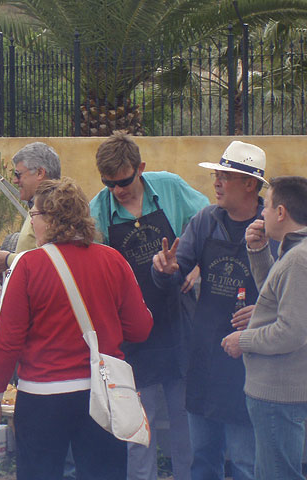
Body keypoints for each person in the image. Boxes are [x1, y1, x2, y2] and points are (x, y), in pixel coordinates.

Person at [0, 178, 153, 480]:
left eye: (33, 216)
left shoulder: (28, 266)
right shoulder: (114, 260)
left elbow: (7, 341)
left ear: (50, 218)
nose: (32, 223)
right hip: (102, 396)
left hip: (43, 398)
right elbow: (140, 329)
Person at [152, 140, 276, 480]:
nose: (216, 183)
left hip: (252, 364)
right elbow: (177, 273)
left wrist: (264, 310)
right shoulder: (205, 220)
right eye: (216, 176)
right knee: (202, 459)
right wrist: (165, 270)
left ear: (250, 184)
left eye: (225, 177)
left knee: (245, 462)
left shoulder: (276, 227)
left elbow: (294, 294)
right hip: (205, 355)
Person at [89, 131, 207, 480]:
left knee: (185, 416)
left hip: (177, 319)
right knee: (139, 420)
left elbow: (207, 222)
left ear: (140, 168)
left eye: (124, 181)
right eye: (109, 184)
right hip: (132, 331)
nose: (118, 190)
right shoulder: (99, 209)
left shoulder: (170, 187)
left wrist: (197, 267)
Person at [221, 176, 307, 480]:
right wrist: (258, 252)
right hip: (282, 395)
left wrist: (243, 340)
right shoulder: (295, 253)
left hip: (280, 396)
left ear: (281, 212)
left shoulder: (299, 259)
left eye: (267, 206)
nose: (262, 214)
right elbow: (278, 300)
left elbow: (290, 331)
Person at [0, 142, 61, 274]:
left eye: (18, 174)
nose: (14, 180)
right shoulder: (39, 204)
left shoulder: (55, 206)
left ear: (39, 173)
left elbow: (54, 259)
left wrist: (8, 259)